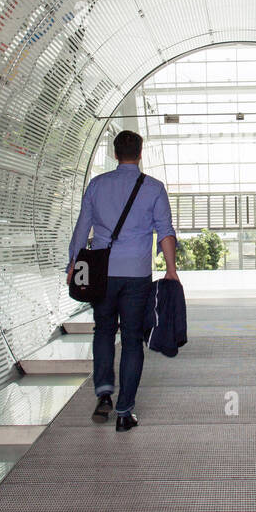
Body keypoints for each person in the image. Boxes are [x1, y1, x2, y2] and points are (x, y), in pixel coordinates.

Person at [66, 130, 178, 431]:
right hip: (137, 275)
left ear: (115, 154)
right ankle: (125, 412)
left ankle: (104, 392)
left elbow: (81, 228)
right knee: (131, 339)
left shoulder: (97, 185)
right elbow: (165, 231)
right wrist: (171, 269)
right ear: (140, 153)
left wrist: (73, 263)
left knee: (103, 330)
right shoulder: (154, 188)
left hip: (101, 273)